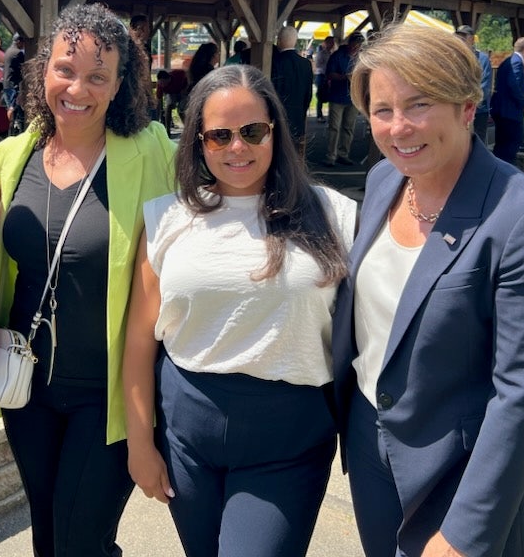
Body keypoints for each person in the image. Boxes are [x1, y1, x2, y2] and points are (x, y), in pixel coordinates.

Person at [332, 24, 524, 557]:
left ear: (467, 107)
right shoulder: (383, 180)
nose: (399, 127)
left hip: (462, 469)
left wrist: (466, 532)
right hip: (372, 447)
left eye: (419, 104)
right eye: (382, 109)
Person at [124, 64, 355, 557]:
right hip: (187, 429)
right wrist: (139, 444)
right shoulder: (166, 217)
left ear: (275, 131)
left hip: (288, 437)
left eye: (253, 132)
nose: (237, 147)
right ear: (198, 142)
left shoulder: (334, 213)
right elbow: (141, 338)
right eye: (219, 136)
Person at [0, 3, 175, 557]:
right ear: (43, 70)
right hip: (28, 390)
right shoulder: (10, 157)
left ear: (119, 85)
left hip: (108, 392)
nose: (77, 89)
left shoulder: (151, 151)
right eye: (65, 69)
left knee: (81, 543)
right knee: (48, 535)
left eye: (97, 76)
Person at [270, 24, 313, 154]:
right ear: (295, 41)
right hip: (298, 117)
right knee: (295, 154)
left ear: (279, 40)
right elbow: (308, 94)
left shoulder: (274, 62)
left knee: (278, 154)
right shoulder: (306, 64)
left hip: (278, 118)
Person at [490, 36, 524, 164]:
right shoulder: (516, 62)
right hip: (509, 112)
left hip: (503, 111)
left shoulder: (508, 61)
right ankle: (505, 173)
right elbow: (513, 85)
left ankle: (498, 171)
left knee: (502, 146)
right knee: (511, 145)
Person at [324, 32, 363, 166]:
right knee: (334, 127)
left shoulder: (361, 58)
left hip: (353, 98)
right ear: (349, 43)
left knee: (348, 128)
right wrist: (344, 77)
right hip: (337, 96)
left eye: (359, 45)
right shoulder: (337, 56)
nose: (356, 47)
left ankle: (343, 154)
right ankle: (331, 156)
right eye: (355, 44)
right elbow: (329, 74)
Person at [455, 26, 492, 143]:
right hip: (457, 109)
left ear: (471, 39)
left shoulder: (483, 59)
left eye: (463, 37)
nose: (459, 39)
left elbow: (484, 87)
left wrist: (468, 102)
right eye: (458, 36)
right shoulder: (453, 58)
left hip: (478, 111)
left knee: (477, 144)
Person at [312, 36, 335, 120]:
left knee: (330, 95)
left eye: (333, 42)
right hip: (321, 76)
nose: (332, 44)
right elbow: (318, 65)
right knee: (321, 95)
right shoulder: (321, 53)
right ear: (326, 43)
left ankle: (330, 115)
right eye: (330, 42)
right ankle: (319, 115)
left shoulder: (332, 54)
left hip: (329, 76)